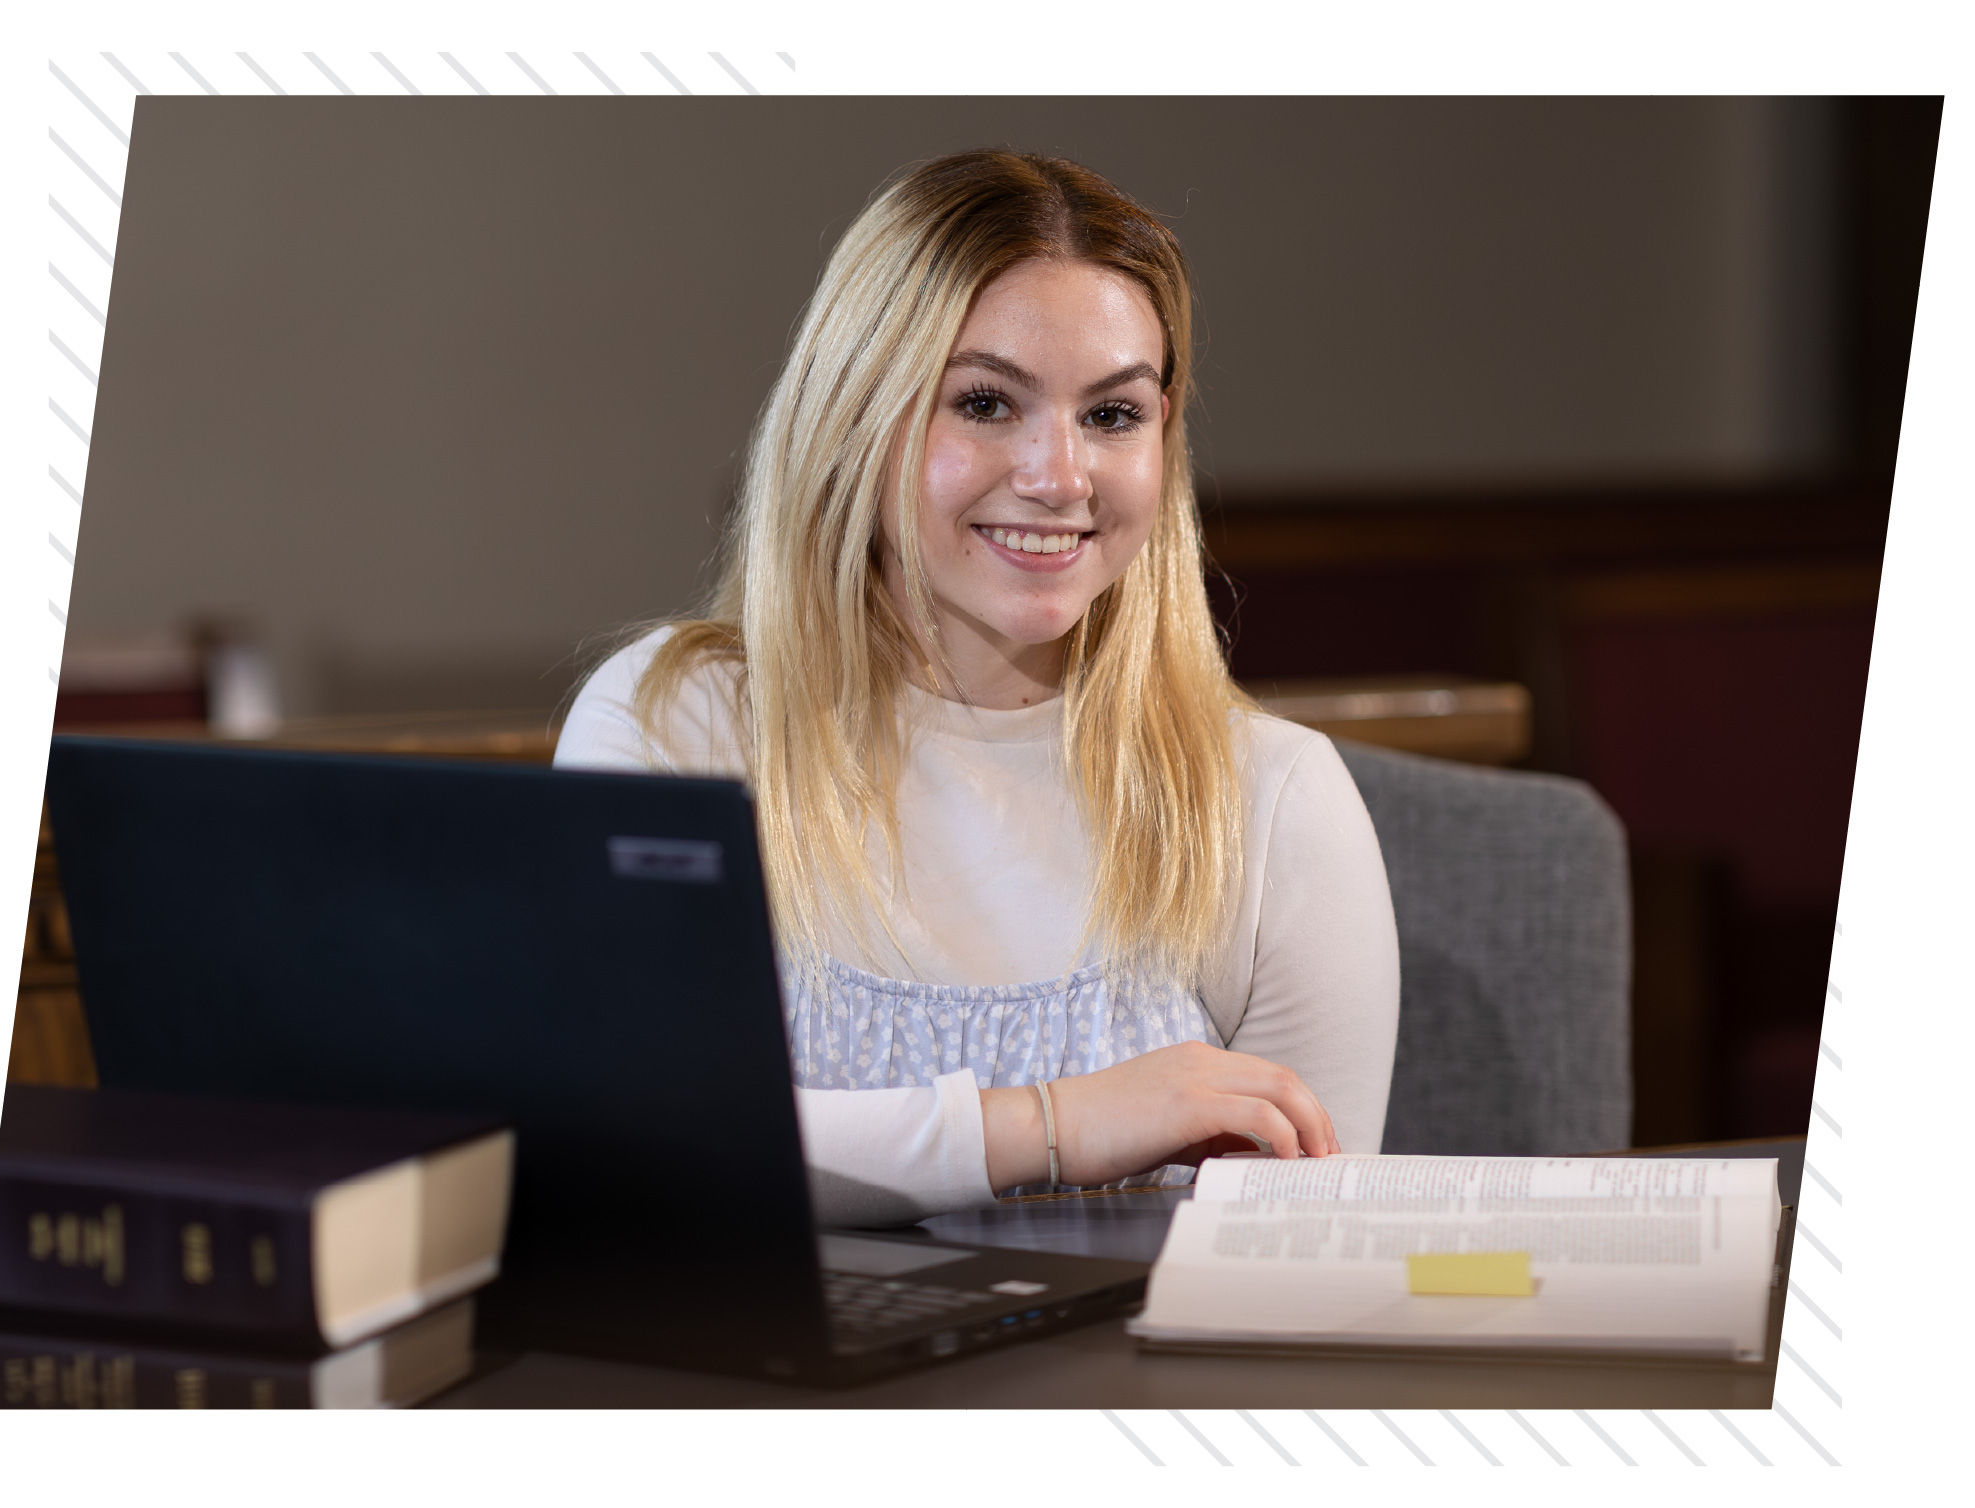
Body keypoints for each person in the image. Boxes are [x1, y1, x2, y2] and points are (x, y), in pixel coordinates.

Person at [557, 149, 1399, 1226]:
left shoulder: (1278, 802)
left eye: (1112, 415)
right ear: (855, 415)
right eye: (988, 402)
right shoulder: (675, 724)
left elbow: (1298, 1268)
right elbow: (624, 1142)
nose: (1058, 476)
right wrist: (1051, 1125)